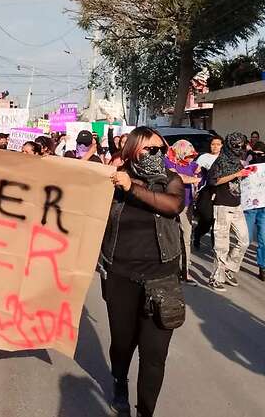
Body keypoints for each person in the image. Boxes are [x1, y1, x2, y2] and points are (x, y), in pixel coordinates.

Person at [99, 126, 185, 416]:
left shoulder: (171, 180)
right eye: (149, 149)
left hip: (162, 279)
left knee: (154, 355)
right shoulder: (113, 178)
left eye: (161, 149)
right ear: (132, 150)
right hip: (121, 276)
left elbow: (173, 206)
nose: (156, 154)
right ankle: (119, 382)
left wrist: (132, 188)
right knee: (122, 344)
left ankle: (145, 411)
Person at [207, 132, 252, 292]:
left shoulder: (238, 161)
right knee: (222, 244)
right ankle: (216, 277)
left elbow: (240, 180)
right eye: (236, 146)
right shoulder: (220, 161)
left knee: (244, 240)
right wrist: (236, 174)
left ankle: (229, 268)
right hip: (222, 206)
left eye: (241, 145)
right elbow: (213, 181)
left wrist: (247, 174)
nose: (240, 148)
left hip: (237, 205)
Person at [164, 140, 201, 285]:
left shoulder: (192, 165)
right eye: (188, 156)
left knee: (186, 238)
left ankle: (185, 273)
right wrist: (194, 179)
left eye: (192, 156)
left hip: (187, 205)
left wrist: (199, 173)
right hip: (170, 204)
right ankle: (168, 270)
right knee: (169, 237)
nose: (191, 159)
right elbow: (177, 177)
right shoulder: (167, 162)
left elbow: (201, 171)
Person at [242, 141, 265, 282]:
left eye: (260, 154)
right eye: (254, 154)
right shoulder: (246, 164)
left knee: (264, 238)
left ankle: (263, 268)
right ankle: (235, 259)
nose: (257, 156)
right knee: (246, 238)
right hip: (250, 206)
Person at [193, 135, 222, 250]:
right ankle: (198, 234)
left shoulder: (225, 158)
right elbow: (196, 171)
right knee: (207, 218)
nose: (215, 147)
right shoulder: (204, 157)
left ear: (222, 146)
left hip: (221, 191)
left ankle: (216, 247)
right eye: (213, 144)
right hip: (207, 191)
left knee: (217, 221)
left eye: (218, 144)